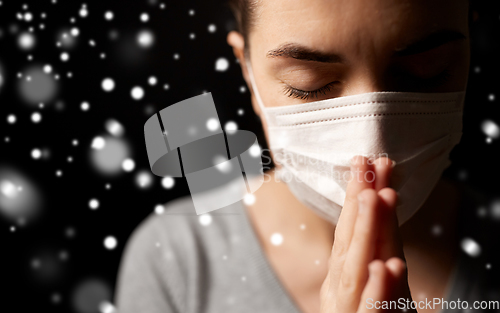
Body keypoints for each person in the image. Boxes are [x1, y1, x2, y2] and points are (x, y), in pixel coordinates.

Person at [115, 0, 499, 312]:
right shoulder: (176, 262)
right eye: (309, 86)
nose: (371, 146)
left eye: (427, 72)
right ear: (246, 69)